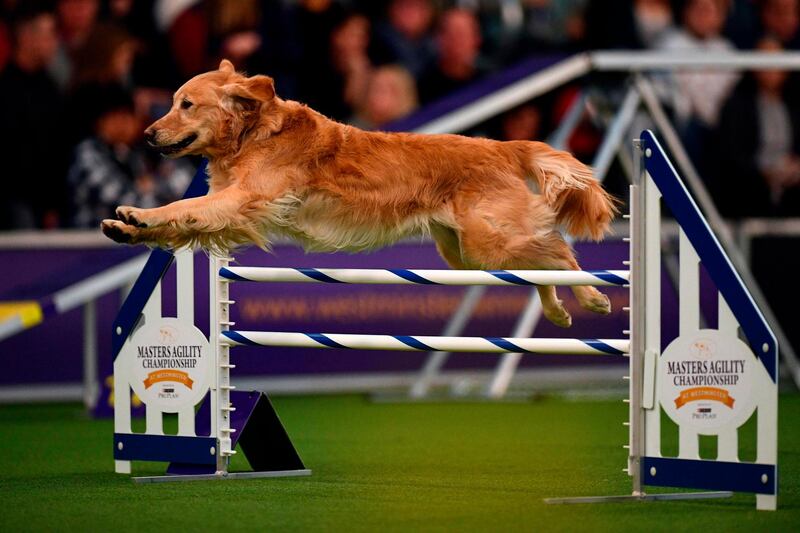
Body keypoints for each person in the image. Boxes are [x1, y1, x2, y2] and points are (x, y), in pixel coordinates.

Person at [67, 85, 192, 228]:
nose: (122, 124)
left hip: (128, 242)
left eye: (127, 117)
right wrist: (161, 197)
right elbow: (126, 204)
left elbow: (187, 180)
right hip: (89, 243)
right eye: (115, 117)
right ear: (100, 122)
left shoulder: (136, 153)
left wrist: (153, 185)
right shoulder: (88, 154)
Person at [711, 37, 800, 217]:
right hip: (751, 186)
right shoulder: (737, 105)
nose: (770, 68)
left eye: (776, 61)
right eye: (764, 60)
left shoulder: (794, 104)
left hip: (791, 185)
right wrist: (764, 175)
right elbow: (731, 156)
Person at [0, 4, 66, 229]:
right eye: (49, 35)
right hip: (15, 204)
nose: (55, 43)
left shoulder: (50, 88)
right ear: (26, 38)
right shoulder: (6, 91)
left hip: (50, 203)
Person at [418, 8, 488, 104]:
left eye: (462, 34)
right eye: (450, 33)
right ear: (438, 39)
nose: (456, 41)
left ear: (477, 39)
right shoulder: (422, 87)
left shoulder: (488, 80)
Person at [350, 64, 418, 130]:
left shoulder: (420, 129)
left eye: (390, 88)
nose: (379, 94)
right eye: (376, 87)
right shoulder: (357, 132)